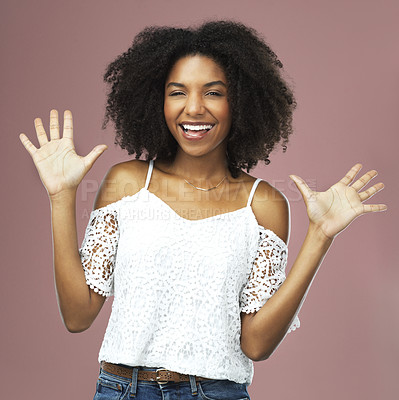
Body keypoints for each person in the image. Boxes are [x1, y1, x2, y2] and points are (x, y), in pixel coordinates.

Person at [19, 21, 386, 400]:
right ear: (158, 100)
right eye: (177, 92)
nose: (193, 108)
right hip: (120, 390)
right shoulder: (125, 183)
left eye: (213, 93)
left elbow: (257, 345)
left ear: (240, 101)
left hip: (215, 392)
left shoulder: (262, 204)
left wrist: (320, 236)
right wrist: (61, 196)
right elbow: (77, 316)